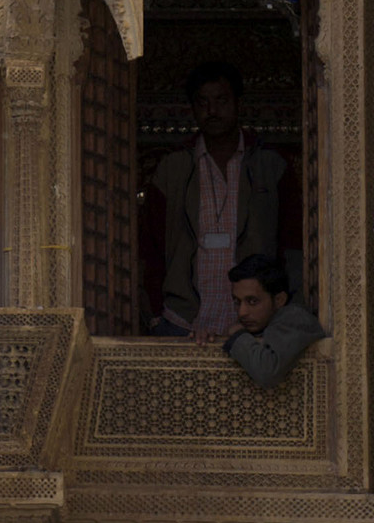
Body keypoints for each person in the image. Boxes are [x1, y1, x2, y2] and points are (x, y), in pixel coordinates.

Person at [138, 59, 301, 338]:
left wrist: (289, 312)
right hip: (182, 322)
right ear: (192, 108)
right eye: (202, 102)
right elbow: (149, 248)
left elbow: (293, 245)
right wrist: (154, 316)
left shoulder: (270, 165)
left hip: (257, 326)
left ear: (238, 103)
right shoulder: (172, 168)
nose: (212, 111)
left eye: (221, 101)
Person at [217, 252, 325, 388]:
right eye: (237, 302)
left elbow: (268, 372)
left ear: (279, 300)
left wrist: (238, 336)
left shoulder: (295, 318)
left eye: (252, 301)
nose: (242, 312)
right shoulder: (262, 323)